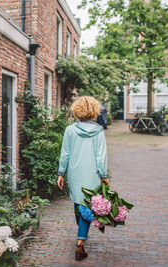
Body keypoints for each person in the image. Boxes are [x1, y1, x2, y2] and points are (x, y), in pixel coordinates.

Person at [57, 96, 109, 260]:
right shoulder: (99, 131)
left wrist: (61, 172)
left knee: (79, 202)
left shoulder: (70, 130)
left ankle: (81, 235)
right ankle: (80, 241)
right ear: (94, 111)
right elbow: (101, 156)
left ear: (77, 110)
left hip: (74, 173)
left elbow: (65, 154)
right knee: (86, 205)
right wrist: (103, 175)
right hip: (92, 173)